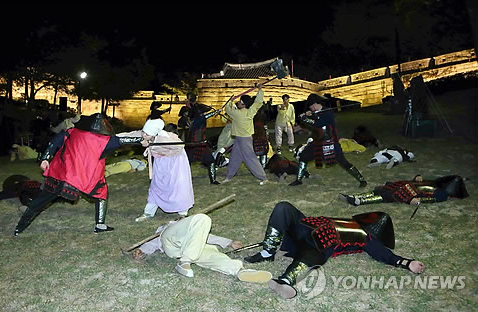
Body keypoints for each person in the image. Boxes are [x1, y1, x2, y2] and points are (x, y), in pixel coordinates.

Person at [244, 201, 426, 299]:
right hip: (302, 229)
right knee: (283, 207)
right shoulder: (347, 220)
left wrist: (406, 263)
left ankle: (284, 282)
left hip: (318, 246)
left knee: (311, 257)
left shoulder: (365, 237)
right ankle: (267, 253)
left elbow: (382, 253)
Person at [13, 113, 143, 236]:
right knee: (101, 194)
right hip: (82, 178)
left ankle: (19, 228)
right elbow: (123, 140)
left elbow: (54, 142)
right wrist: (142, 140)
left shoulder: (71, 132)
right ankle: (100, 225)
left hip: (60, 173)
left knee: (40, 201)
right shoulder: (105, 140)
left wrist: (45, 158)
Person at [129, 213, 272, 283]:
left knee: (213, 254)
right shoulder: (167, 227)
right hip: (172, 243)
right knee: (203, 219)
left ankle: (239, 271)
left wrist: (229, 242)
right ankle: (185, 262)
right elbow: (154, 242)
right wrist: (142, 249)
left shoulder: (196, 230)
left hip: (191, 249)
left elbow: (209, 237)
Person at [289, 94, 367, 187]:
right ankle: (299, 180)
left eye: (310, 106)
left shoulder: (328, 113)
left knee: (343, 162)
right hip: (317, 143)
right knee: (303, 156)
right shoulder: (317, 113)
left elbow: (318, 124)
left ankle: (362, 180)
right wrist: (307, 115)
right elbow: (314, 120)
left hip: (331, 143)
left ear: (313, 104)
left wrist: (305, 118)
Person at [135, 118, 195, 221]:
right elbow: (132, 134)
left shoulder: (166, 138)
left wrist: (153, 145)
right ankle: (148, 212)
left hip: (175, 164)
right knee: (156, 185)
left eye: (147, 134)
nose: (144, 135)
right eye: (144, 132)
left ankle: (183, 212)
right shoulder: (148, 135)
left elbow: (179, 147)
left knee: (178, 186)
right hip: (160, 163)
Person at [222, 85, 267, 185]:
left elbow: (227, 109)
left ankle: (263, 177)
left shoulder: (237, 113)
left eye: (239, 101)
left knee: (250, 158)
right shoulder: (250, 111)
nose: (238, 102)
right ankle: (229, 176)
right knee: (235, 157)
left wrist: (230, 100)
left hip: (244, 140)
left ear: (242, 104)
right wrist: (260, 90)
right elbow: (258, 102)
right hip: (241, 138)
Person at [338, 174, 468, 206]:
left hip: (411, 194)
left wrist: (417, 201)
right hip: (408, 186)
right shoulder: (436, 183)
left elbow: (431, 198)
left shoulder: (443, 194)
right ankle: (356, 197)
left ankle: (359, 201)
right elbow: (422, 181)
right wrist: (417, 177)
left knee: (388, 195)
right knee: (383, 189)